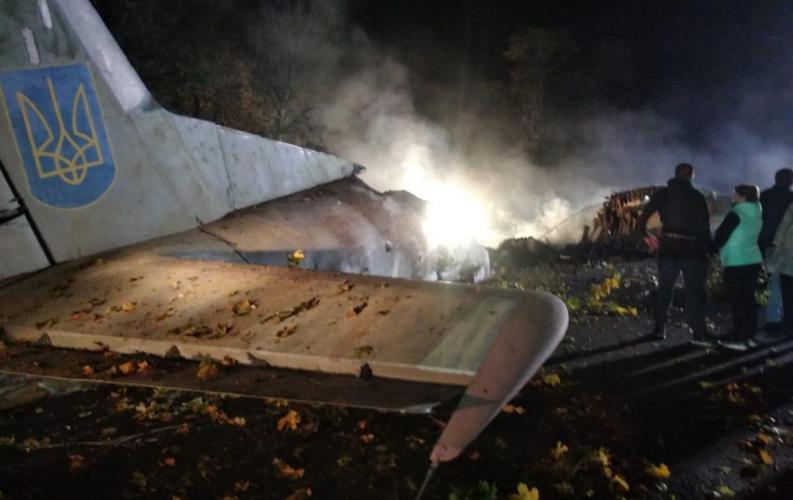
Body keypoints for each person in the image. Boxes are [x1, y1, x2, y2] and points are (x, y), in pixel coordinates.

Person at [638, 163, 713, 344]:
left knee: (664, 290)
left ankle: (659, 329)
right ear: (691, 176)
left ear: (676, 174)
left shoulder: (662, 194)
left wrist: (646, 235)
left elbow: (643, 217)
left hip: (668, 247)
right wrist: (708, 251)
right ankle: (698, 332)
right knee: (694, 292)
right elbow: (704, 228)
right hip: (692, 250)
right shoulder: (696, 196)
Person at [712, 185, 763, 351]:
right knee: (748, 299)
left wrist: (710, 250)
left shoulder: (736, 213)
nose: (732, 196)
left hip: (736, 260)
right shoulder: (757, 210)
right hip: (753, 259)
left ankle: (740, 338)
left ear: (742, 197)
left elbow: (721, 234)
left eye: (735, 194)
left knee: (738, 300)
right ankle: (750, 336)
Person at [758, 168, 793, 332]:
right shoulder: (791, 198)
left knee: (775, 282)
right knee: (785, 283)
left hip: (767, 243)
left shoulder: (764, 196)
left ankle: (773, 318)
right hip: (787, 247)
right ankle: (782, 319)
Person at [766, 200, 793, 339]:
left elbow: (782, 230)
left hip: (788, 259)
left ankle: (788, 327)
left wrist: (776, 247)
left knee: (787, 294)